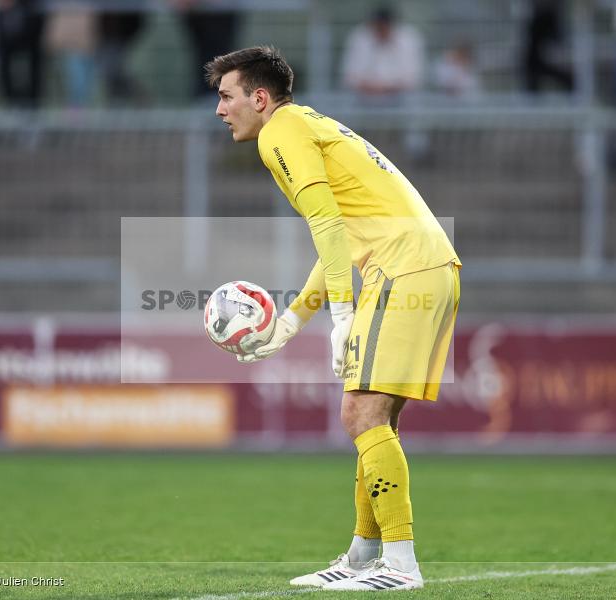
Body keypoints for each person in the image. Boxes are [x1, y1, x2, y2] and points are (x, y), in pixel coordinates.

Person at [205, 46, 461, 592]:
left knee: (361, 412)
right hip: (425, 264)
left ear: (259, 97)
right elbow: (339, 236)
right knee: (374, 417)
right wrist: (292, 322)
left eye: (226, 97)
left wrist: (341, 314)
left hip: (405, 269)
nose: (220, 110)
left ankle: (400, 566)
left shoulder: (280, 133)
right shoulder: (303, 125)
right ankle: (364, 557)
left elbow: (324, 222)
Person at [341, 6, 425, 101]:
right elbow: (350, 78)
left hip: (401, 100)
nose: (381, 31)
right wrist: (379, 88)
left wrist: (382, 88)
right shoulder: (359, 37)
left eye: (383, 27)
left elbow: (413, 80)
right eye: (378, 27)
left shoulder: (409, 38)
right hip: (363, 99)